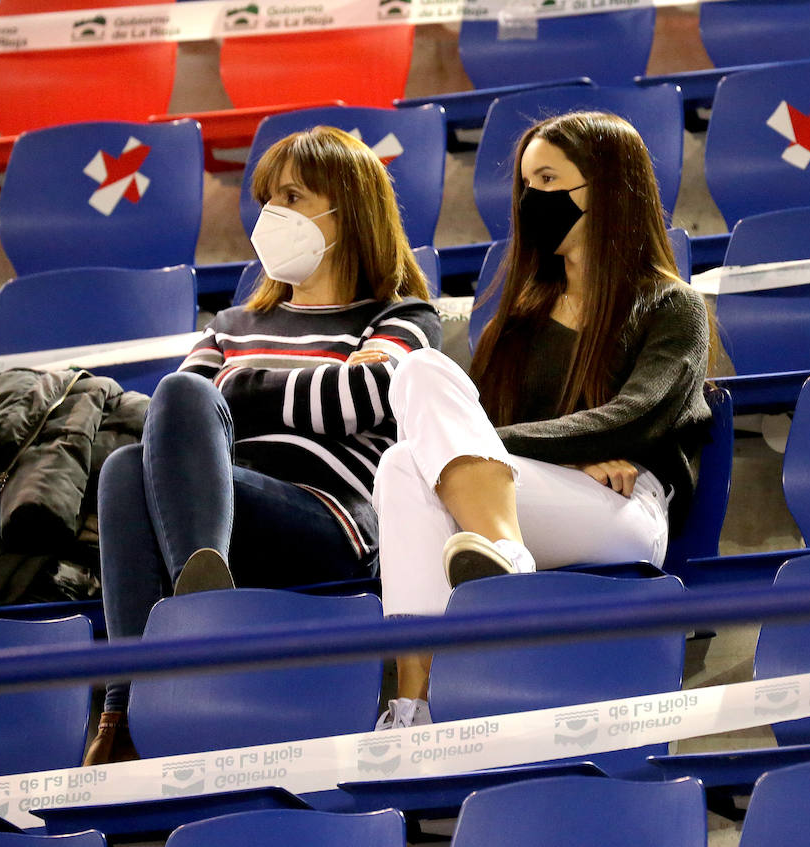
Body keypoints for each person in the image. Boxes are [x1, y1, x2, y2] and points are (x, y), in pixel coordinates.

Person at [85, 126, 441, 763]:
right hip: (224, 514)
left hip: (329, 524)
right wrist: (243, 396)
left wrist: (241, 388)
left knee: (184, 413)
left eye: (294, 197)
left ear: (348, 208)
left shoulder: (398, 316)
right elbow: (177, 421)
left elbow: (367, 395)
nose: (273, 215)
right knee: (123, 464)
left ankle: (196, 620)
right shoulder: (230, 325)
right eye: (267, 198)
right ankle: (126, 711)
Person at [372, 110, 712, 728]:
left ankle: (502, 569)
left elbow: (637, 419)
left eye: (551, 182)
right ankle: (413, 707)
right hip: (526, 510)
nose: (534, 200)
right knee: (412, 417)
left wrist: (477, 447)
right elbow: (469, 441)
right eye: (527, 187)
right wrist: (502, 451)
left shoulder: (672, 304)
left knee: (427, 454)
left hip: (622, 508)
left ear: (608, 188)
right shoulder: (519, 320)